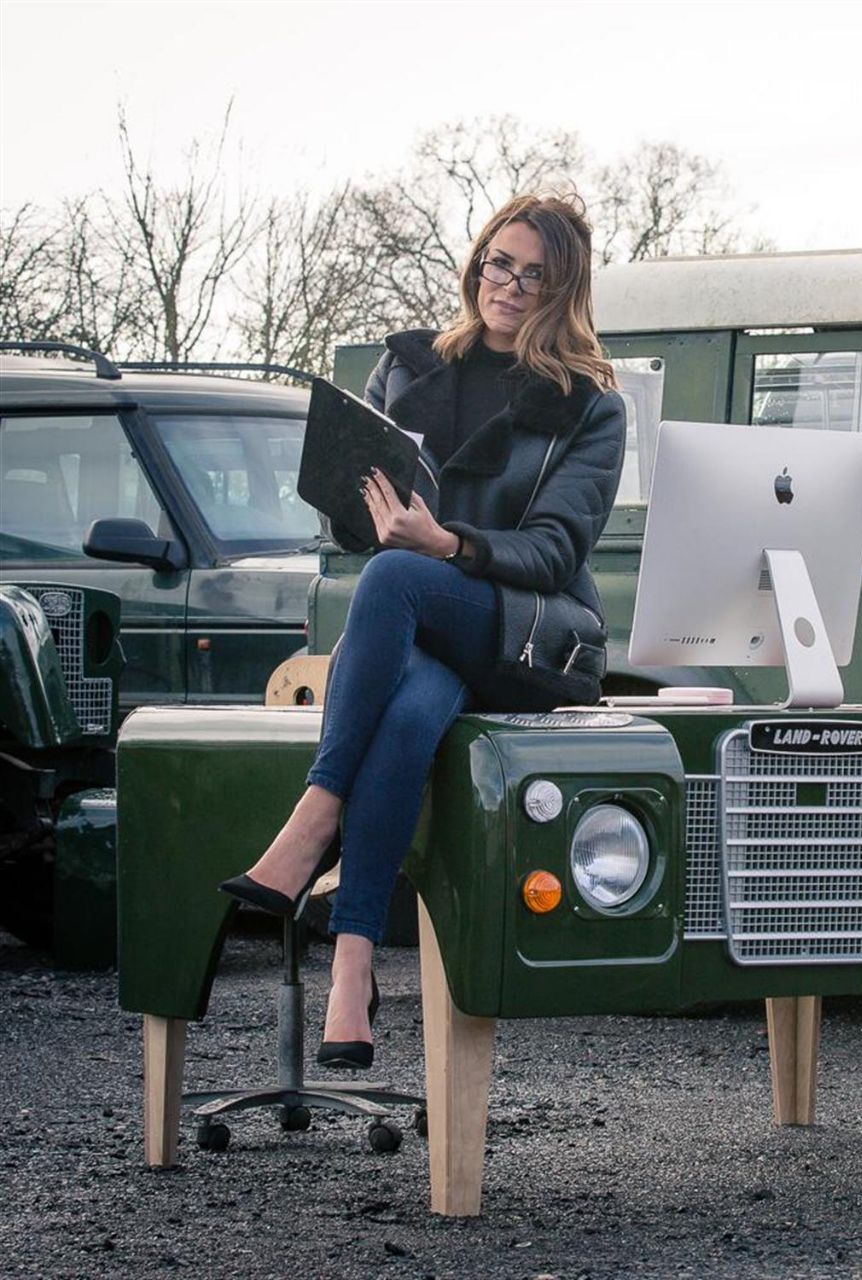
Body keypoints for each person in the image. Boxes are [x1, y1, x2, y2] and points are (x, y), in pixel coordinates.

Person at [219, 192, 627, 1070]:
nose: (508, 287)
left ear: (564, 290)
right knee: (406, 715)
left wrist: (440, 543)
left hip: (525, 634)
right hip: (422, 640)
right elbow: (350, 526)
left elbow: (556, 552)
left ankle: (314, 815)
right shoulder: (404, 368)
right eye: (497, 263)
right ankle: (353, 966)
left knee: (400, 573)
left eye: (533, 274)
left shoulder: (590, 404)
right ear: (477, 261)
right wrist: (365, 511)